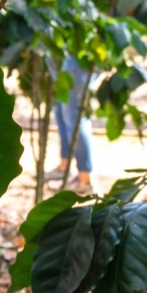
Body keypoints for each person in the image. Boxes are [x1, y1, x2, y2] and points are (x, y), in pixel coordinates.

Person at [54, 54, 95, 193]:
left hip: (78, 60)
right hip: (67, 60)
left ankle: (85, 178)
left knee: (75, 118)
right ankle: (65, 167)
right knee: (61, 113)